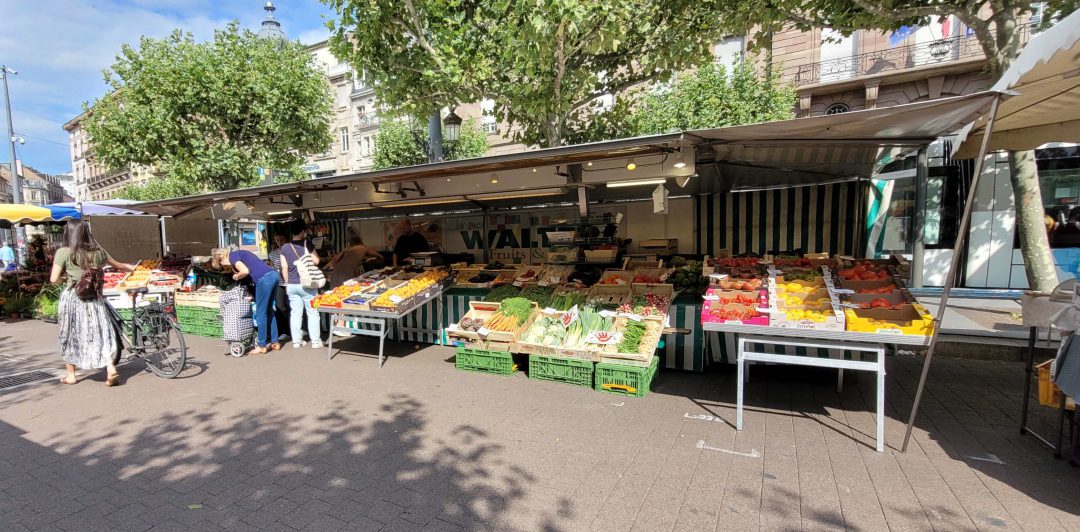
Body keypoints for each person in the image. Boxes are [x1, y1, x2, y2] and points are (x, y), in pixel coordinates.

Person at [50, 220, 135, 387]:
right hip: (94, 298)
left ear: (69, 233)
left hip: (73, 298)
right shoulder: (98, 252)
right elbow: (118, 266)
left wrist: (66, 278)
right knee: (100, 332)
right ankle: (110, 368)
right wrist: (133, 268)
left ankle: (71, 375)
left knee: (70, 334)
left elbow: (53, 279)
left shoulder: (63, 252)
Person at [217, 247, 281, 355]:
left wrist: (236, 276)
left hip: (264, 279)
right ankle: (275, 343)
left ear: (221, 259)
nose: (225, 267)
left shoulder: (232, 257)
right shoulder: (239, 254)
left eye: (222, 265)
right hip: (273, 275)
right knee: (269, 311)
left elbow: (245, 271)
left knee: (261, 313)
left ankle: (262, 346)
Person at [280, 220, 322, 349]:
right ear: (303, 230)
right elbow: (316, 260)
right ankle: (315, 341)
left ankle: (296, 342)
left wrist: (287, 284)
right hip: (307, 284)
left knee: (295, 314)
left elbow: (284, 267)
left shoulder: (285, 247)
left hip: (291, 285)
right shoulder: (306, 244)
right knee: (313, 312)